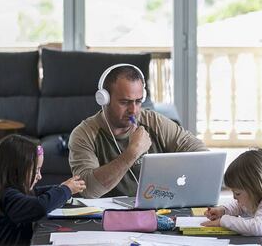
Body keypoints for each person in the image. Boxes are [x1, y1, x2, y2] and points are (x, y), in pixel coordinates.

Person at [69, 64, 207, 198]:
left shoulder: (153, 121)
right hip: (110, 215)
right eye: (124, 102)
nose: (133, 110)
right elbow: (88, 190)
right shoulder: (83, 134)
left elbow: (200, 153)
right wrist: (132, 153)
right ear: (104, 100)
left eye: (138, 101)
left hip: (158, 207)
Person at [0, 134, 86, 246]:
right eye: (36, 171)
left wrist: (62, 187)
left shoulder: (16, 192)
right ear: (17, 171)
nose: (39, 176)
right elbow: (40, 206)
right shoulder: (8, 197)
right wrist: (65, 190)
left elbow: (37, 193)